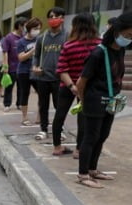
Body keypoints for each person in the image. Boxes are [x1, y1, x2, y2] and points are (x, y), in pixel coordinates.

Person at [76, 12, 132, 188]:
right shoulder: (98, 53)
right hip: (95, 99)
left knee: (102, 136)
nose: (130, 39)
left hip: (112, 98)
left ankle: (93, 169)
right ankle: (83, 174)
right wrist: (84, 102)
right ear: (117, 32)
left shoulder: (121, 50)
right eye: (128, 35)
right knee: (90, 137)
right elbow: (81, 82)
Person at [52, 13, 101, 157]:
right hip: (89, 88)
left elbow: (61, 70)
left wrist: (72, 87)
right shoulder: (99, 45)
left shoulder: (68, 45)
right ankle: (79, 150)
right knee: (84, 118)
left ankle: (57, 147)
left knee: (60, 115)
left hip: (68, 86)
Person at [32, 7, 68, 140]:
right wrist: (35, 67)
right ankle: (43, 129)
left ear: (62, 19)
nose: (53, 19)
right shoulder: (42, 37)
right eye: (51, 17)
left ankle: (59, 129)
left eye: (57, 16)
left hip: (60, 78)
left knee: (59, 106)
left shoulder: (67, 36)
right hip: (43, 77)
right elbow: (36, 55)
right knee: (43, 105)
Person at [17, 17, 42, 125]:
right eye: (35, 28)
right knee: (24, 94)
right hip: (24, 71)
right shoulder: (21, 42)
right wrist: (33, 50)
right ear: (29, 28)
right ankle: (24, 117)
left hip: (37, 71)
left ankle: (39, 117)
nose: (37, 30)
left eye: (39, 28)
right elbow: (21, 58)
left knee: (42, 93)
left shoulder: (40, 39)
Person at [2, 16, 28, 111]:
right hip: (11, 67)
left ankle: (19, 104)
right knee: (9, 86)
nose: (26, 28)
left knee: (21, 87)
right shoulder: (9, 37)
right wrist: (5, 66)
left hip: (22, 67)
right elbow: (5, 53)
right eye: (24, 26)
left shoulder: (24, 37)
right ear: (19, 26)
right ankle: (7, 104)